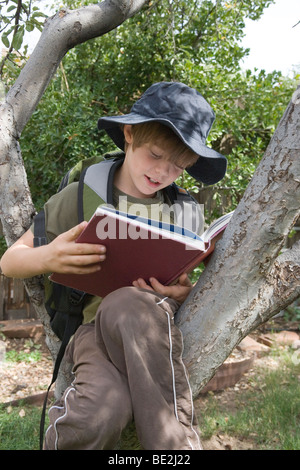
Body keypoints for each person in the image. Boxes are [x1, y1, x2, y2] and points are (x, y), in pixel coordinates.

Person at [0, 81, 227, 450]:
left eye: (179, 166)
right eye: (155, 154)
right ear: (129, 134)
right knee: (97, 415)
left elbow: (185, 285)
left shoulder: (184, 212)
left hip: (150, 335)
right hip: (93, 333)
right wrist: (50, 255)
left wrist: (182, 294)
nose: (163, 172)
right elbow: (10, 261)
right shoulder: (82, 195)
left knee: (129, 301)